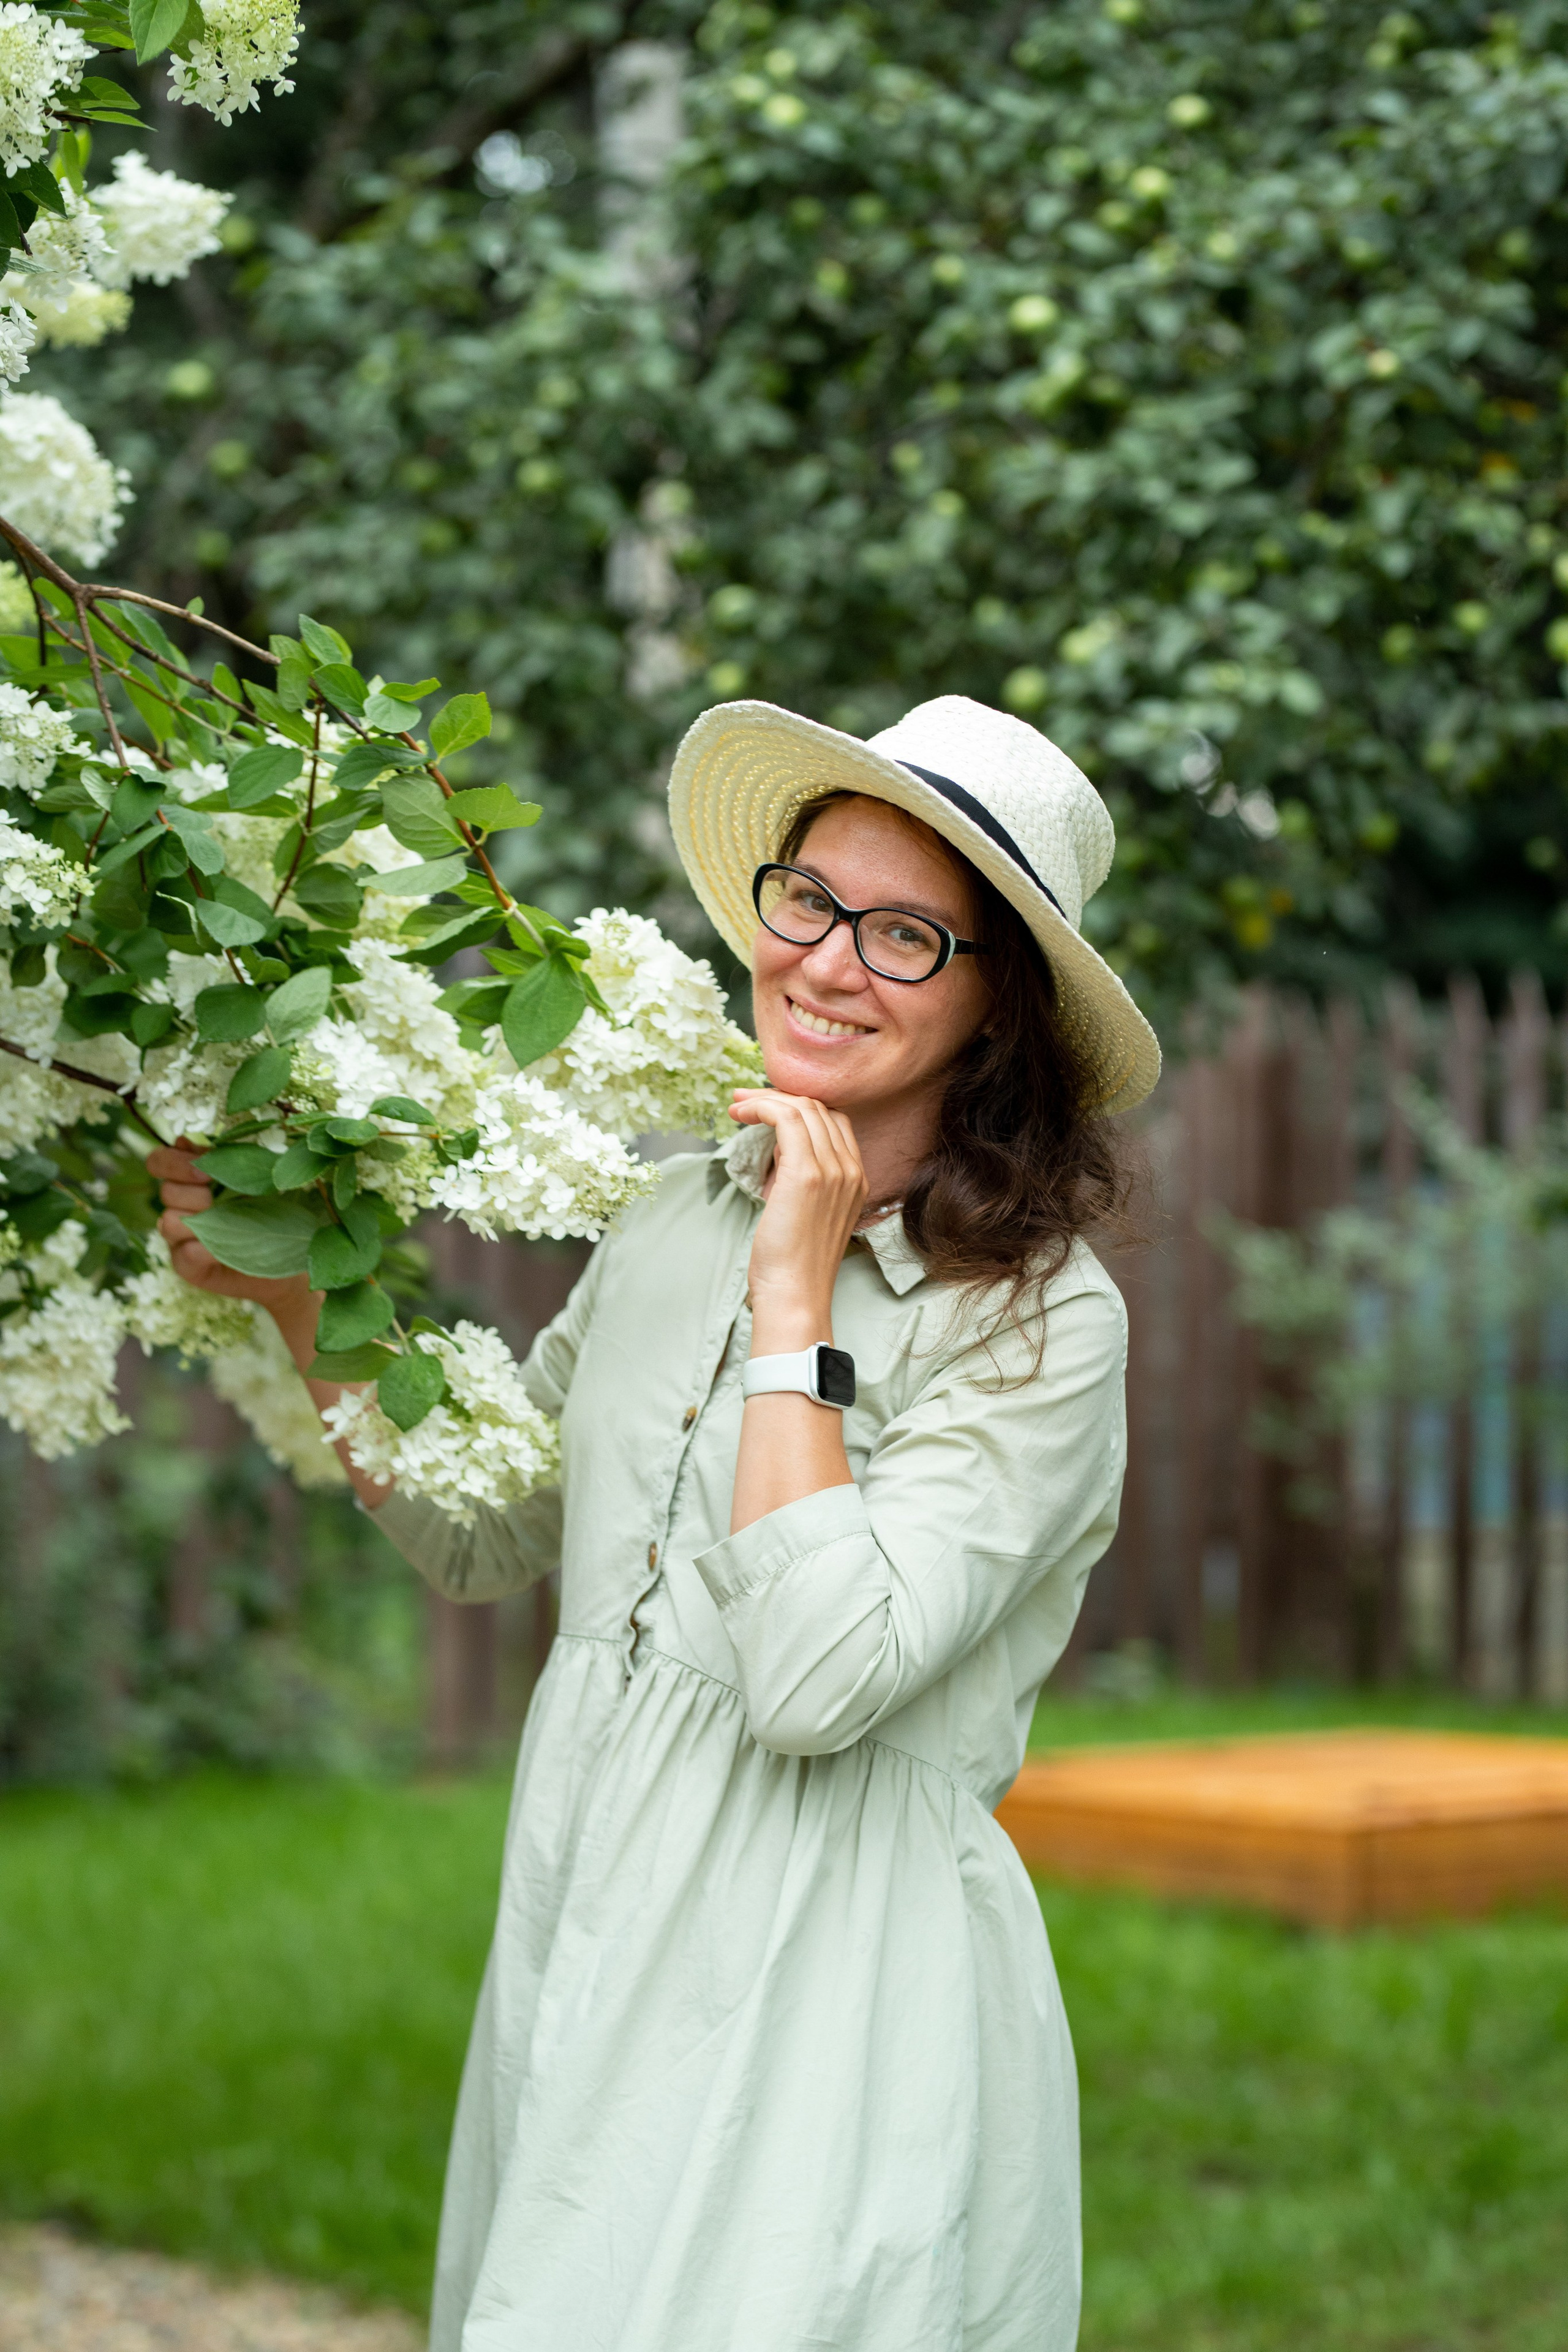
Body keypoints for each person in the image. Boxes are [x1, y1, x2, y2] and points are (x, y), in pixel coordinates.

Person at [153, 693, 1160, 2352]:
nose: (828, 962)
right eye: (811, 899)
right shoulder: (669, 1212)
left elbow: (815, 1679)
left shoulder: (1041, 1324)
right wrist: (294, 1304)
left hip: (825, 1966)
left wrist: (796, 1294)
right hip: (590, 1892)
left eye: (908, 934)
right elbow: (491, 1539)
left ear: (1000, 1013)